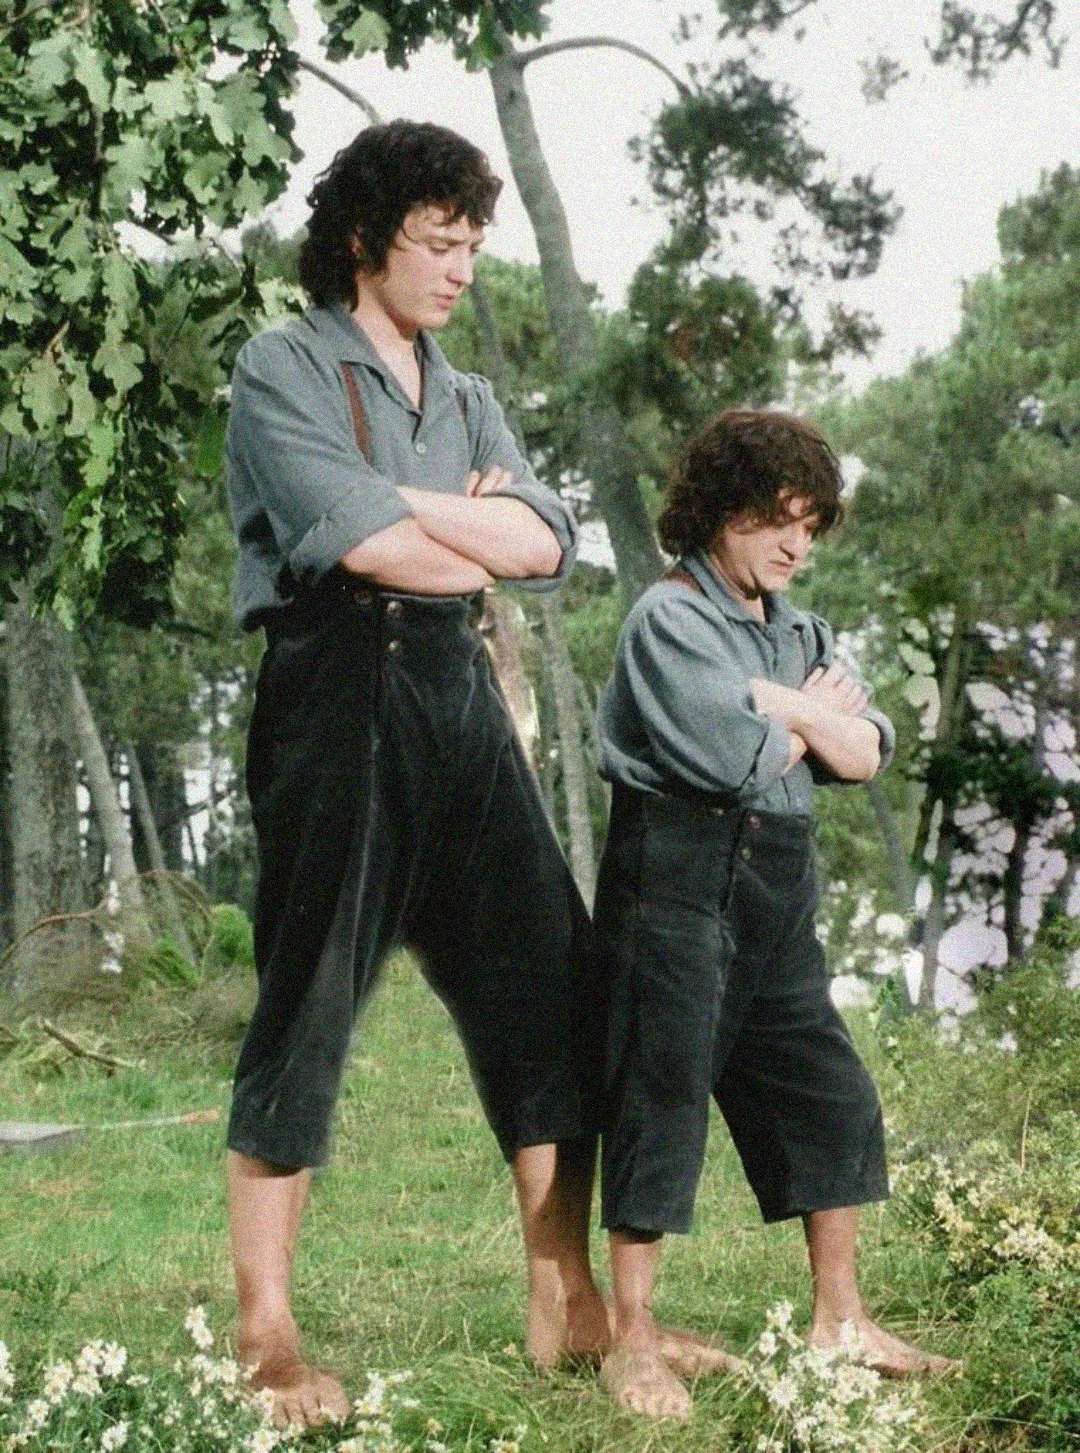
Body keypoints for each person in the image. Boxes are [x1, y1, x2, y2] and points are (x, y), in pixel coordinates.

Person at [222, 120, 616, 1427]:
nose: (460, 270)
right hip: (335, 690)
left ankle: (568, 1302)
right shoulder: (283, 364)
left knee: (550, 984)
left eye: (473, 247)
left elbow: (549, 543)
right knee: (312, 998)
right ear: (360, 239)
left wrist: (422, 516)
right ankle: (266, 1333)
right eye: (436, 244)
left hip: (462, 693)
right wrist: (463, 528)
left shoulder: (463, 393)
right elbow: (348, 543)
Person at [592, 409, 957, 1420]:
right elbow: (729, 759)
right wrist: (809, 714)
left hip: (777, 890)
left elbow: (872, 749)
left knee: (829, 1094)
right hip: (674, 882)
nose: (796, 544)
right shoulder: (667, 620)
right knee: (659, 1100)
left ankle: (839, 1319)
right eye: (773, 520)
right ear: (717, 515)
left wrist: (784, 704)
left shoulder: (799, 631)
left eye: (811, 522)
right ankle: (633, 1339)